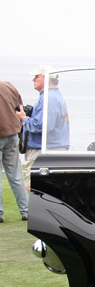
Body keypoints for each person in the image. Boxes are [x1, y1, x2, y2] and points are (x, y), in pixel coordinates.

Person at [17, 65, 70, 190]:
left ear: (47, 78)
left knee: (34, 188)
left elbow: (43, 126)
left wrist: (24, 118)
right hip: (54, 148)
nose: (33, 80)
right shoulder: (54, 96)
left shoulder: (49, 98)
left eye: (37, 76)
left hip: (44, 151)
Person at [0, 81, 30, 221]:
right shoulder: (9, 85)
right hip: (12, 134)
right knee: (16, 175)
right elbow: (20, 108)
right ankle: (26, 210)